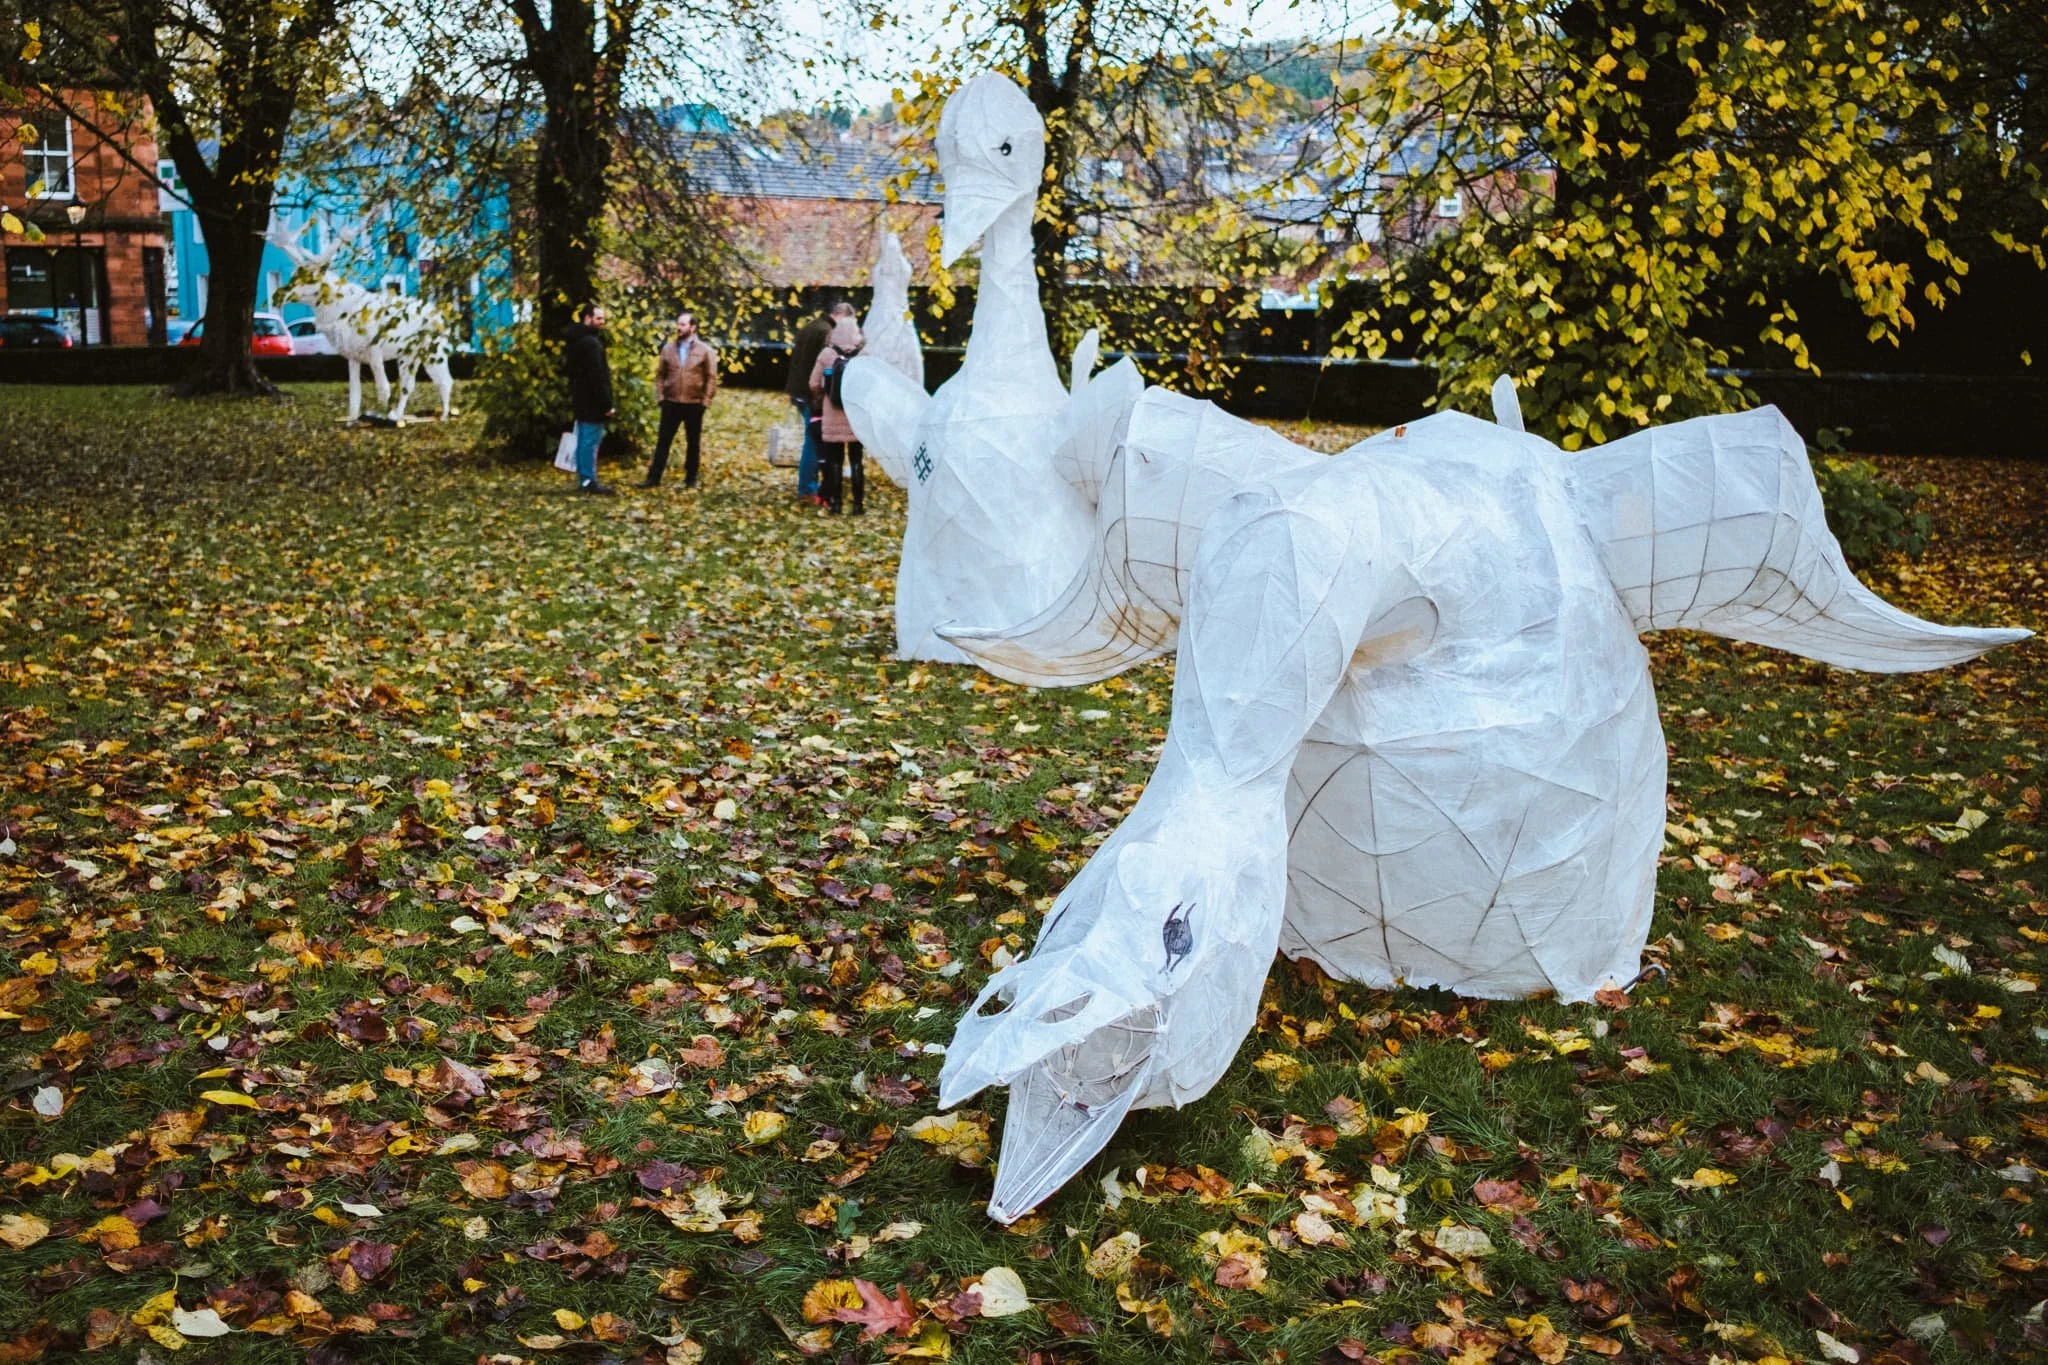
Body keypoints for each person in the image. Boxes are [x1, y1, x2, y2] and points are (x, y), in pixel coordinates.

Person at [645, 312, 718, 489]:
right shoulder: (668, 349)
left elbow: (711, 377)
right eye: (678, 324)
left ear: (692, 327)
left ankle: (691, 479)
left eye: (683, 324)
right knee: (663, 441)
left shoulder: (705, 350)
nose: (679, 327)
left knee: (693, 443)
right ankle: (654, 478)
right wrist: (661, 397)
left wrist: (705, 401)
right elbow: (660, 375)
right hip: (671, 402)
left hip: (694, 404)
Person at [785, 302, 849, 504]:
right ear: (839, 315)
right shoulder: (827, 332)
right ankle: (808, 489)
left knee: (812, 438)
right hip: (811, 394)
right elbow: (824, 366)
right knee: (814, 441)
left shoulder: (811, 326)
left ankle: (810, 486)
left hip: (799, 390)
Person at [809, 314, 866, 515]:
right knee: (857, 460)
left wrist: (824, 397)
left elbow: (813, 383)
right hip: (856, 417)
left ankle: (836, 503)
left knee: (834, 461)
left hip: (832, 414)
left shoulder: (826, 354)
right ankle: (858, 504)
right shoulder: (864, 354)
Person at [562, 303, 616, 496]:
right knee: (589, 441)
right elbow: (598, 376)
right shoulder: (591, 344)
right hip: (592, 401)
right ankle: (588, 480)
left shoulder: (575, 340)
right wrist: (607, 404)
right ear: (587, 318)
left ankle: (584, 478)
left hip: (580, 398)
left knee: (584, 438)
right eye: (599, 318)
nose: (602, 322)